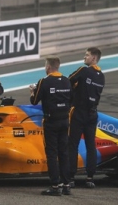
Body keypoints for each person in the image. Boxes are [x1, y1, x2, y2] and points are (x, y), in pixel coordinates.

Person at [29, 57, 72, 196]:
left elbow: (34, 101)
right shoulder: (67, 80)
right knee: (64, 153)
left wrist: (32, 92)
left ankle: (55, 186)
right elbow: (71, 100)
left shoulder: (44, 81)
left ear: (48, 67)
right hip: (65, 120)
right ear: (58, 67)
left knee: (52, 154)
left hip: (51, 122)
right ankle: (66, 184)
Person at [68, 47, 105, 188]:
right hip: (92, 113)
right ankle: (90, 177)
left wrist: (75, 89)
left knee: (73, 144)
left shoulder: (83, 71)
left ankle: (70, 177)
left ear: (93, 58)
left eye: (87, 55)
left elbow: (68, 81)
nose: (84, 57)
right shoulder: (101, 75)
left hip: (79, 113)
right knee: (91, 145)